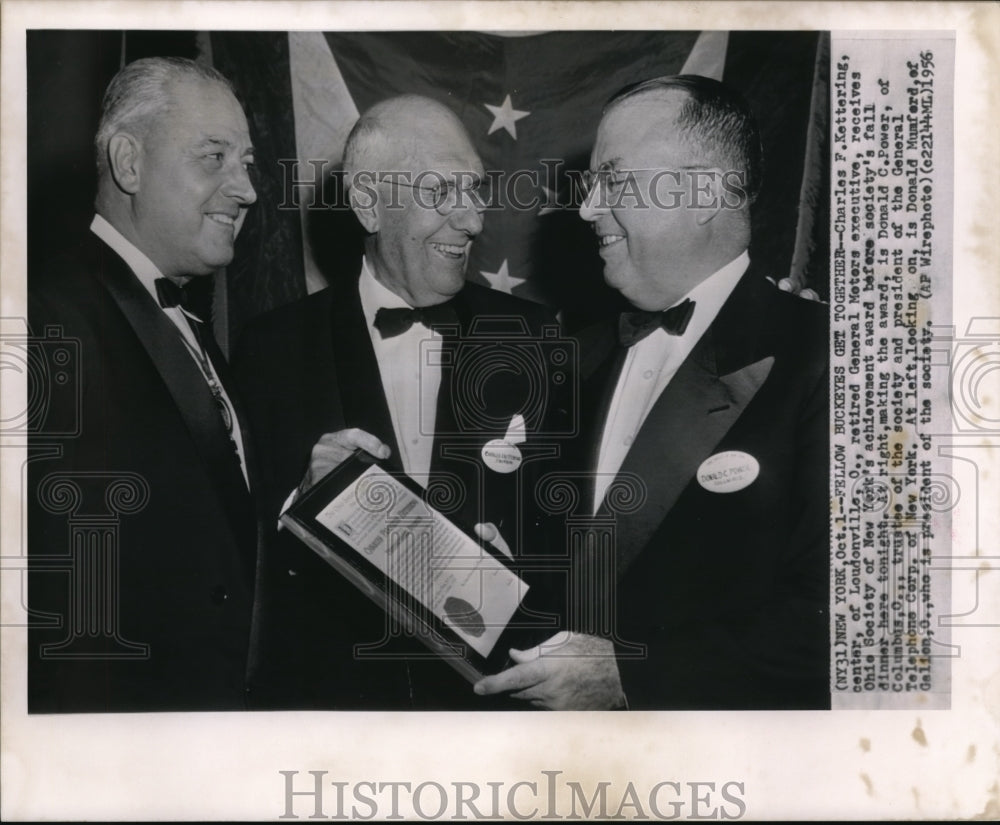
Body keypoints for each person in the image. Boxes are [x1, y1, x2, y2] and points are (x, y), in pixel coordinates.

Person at [25, 56, 377, 712]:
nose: (246, 189)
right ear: (129, 164)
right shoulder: (41, 319)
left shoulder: (188, 325)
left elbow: (197, 528)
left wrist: (298, 496)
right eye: (213, 157)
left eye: (246, 163)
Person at [475, 75, 830, 710]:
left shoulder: (830, 358)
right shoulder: (573, 359)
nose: (585, 210)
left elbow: (848, 621)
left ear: (706, 195)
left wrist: (633, 677)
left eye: (614, 180)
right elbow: (571, 578)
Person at [233, 94, 569, 709]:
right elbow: (240, 563)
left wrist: (516, 570)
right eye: (442, 192)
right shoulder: (271, 350)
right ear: (368, 203)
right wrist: (304, 499)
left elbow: (586, 530)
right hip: (339, 716)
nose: (471, 221)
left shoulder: (538, 337)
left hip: (491, 715)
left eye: (475, 192)